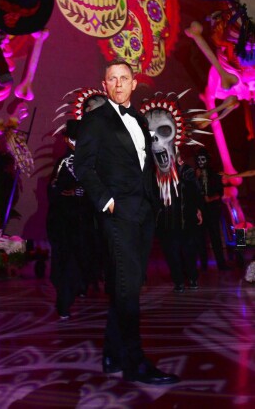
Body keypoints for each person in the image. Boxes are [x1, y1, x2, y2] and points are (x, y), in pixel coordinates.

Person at [74, 60, 180, 385]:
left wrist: (153, 202)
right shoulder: (94, 121)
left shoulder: (139, 119)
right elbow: (83, 166)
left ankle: (111, 353)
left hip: (143, 214)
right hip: (118, 215)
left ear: (134, 84)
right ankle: (135, 363)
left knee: (127, 287)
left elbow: (143, 166)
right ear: (104, 85)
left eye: (124, 79)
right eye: (112, 79)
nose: (118, 84)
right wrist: (108, 203)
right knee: (127, 291)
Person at [47, 120, 93, 320]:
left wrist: (83, 192)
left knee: (81, 260)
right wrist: (71, 192)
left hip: (84, 221)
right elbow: (54, 190)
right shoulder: (64, 163)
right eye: (73, 139)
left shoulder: (91, 161)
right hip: (65, 222)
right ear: (67, 140)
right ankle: (64, 302)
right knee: (66, 264)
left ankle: (75, 290)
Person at [157, 152, 204, 292]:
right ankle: (179, 281)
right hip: (169, 220)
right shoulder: (160, 172)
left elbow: (195, 190)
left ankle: (192, 278)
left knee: (188, 251)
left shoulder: (186, 171)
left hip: (185, 219)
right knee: (173, 252)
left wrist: (197, 209)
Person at [194, 149, 230, 271]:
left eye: (203, 159)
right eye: (198, 160)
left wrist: (210, 198)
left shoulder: (214, 174)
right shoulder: (195, 175)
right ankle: (204, 264)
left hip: (213, 210)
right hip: (200, 211)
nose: (200, 162)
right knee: (201, 238)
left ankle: (221, 263)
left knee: (215, 237)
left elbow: (220, 192)